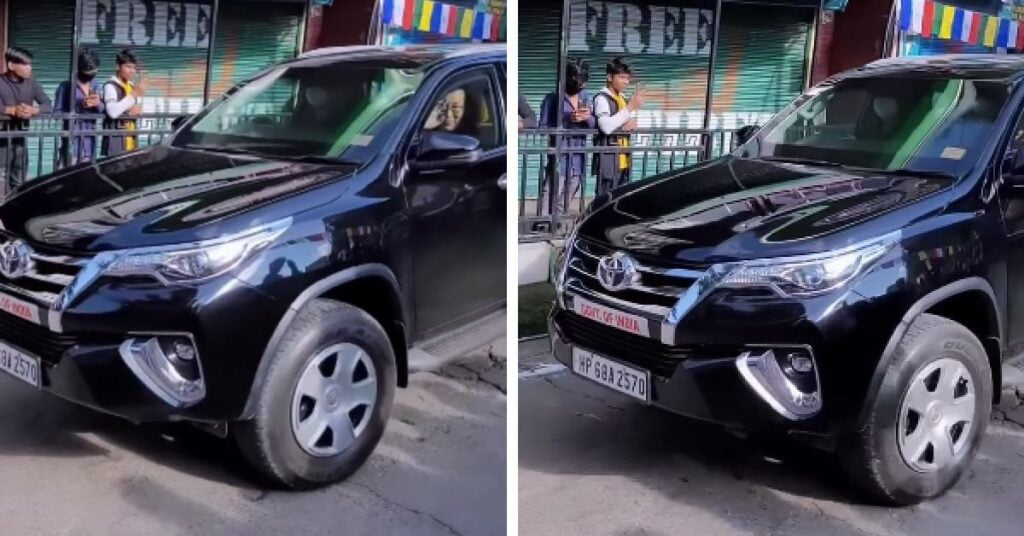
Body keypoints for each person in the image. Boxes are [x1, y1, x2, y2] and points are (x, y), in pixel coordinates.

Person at [539, 58, 594, 215]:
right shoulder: (552, 99)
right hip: (559, 157)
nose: (580, 85)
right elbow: (542, 128)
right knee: (550, 192)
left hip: (578, 157)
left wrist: (587, 118)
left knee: (571, 191)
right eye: (577, 81)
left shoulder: (585, 97)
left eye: (582, 81)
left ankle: (557, 225)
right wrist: (563, 122)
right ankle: (543, 224)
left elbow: (593, 125)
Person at [0, 46, 51, 194]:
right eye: (25, 64)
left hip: (20, 143)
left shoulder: (31, 82)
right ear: (11, 65)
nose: (30, 68)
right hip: (1, 140)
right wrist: (10, 110)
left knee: (18, 182)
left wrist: (33, 110)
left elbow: (48, 105)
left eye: (30, 64)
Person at [592, 57, 645, 195]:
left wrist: (630, 124)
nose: (626, 82)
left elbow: (623, 124)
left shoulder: (622, 98)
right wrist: (630, 107)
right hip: (609, 161)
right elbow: (606, 126)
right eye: (622, 77)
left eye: (627, 78)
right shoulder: (602, 98)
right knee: (605, 201)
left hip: (623, 161)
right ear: (609, 77)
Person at [54, 48, 105, 165]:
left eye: (95, 69)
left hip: (89, 144)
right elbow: (56, 114)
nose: (93, 73)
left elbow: (105, 112)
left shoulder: (96, 86)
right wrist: (76, 107)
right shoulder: (66, 87)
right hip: (71, 145)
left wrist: (98, 104)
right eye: (89, 69)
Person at [102, 49, 146, 157]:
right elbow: (112, 112)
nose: (132, 71)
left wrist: (137, 110)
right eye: (128, 67)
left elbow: (131, 109)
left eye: (134, 68)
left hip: (130, 141)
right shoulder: (110, 86)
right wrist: (134, 94)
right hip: (116, 142)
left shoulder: (131, 86)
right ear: (118, 66)